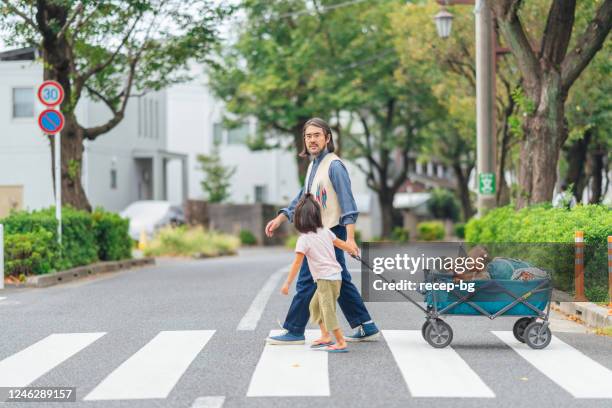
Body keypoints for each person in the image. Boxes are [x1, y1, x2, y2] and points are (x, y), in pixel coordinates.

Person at [265, 117, 379, 345]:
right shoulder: (313, 166)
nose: (312, 140)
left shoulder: (334, 166)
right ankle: (365, 324)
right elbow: (302, 197)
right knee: (339, 277)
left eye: (317, 135)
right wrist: (281, 216)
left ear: (327, 138)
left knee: (308, 280)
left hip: (330, 232)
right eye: (308, 136)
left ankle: (295, 329)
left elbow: (348, 203)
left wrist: (350, 238)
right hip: (321, 233)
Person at [281, 194, 357, 352]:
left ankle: (341, 341)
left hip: (326, 280)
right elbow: (340, 243)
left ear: (299, 220)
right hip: (334, 278)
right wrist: (351, 249)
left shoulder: (304, 240)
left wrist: (287, 283)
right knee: (315, 306)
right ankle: (325, 336)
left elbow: (297, 264)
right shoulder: (325, 232)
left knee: (327, 310)